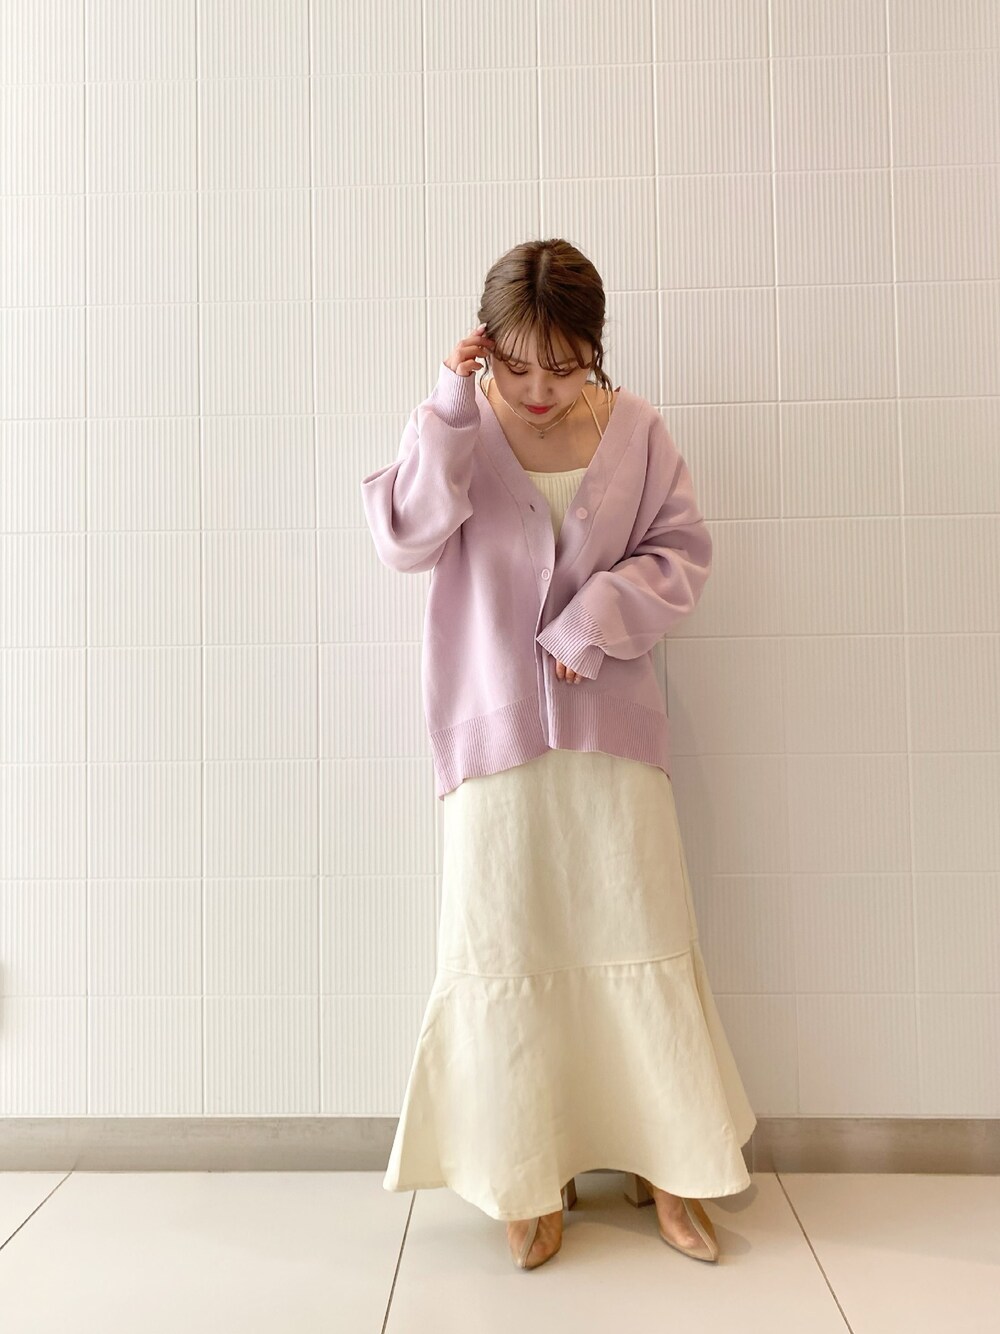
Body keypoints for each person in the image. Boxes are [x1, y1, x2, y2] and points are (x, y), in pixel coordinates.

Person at [361, 239, 756, 1272]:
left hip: (611, 740)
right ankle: (525, 1174)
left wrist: (596, 618)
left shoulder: (638, 430)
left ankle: (672, 1163)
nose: (540, 392)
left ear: (596, 349)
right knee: (506, 951)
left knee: (640, 937)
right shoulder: (453, 424)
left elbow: (682, 553)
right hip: (492, 747)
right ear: (484, 347)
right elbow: (403, 538)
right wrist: (449, 409)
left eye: (566, 366)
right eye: (518, 366)